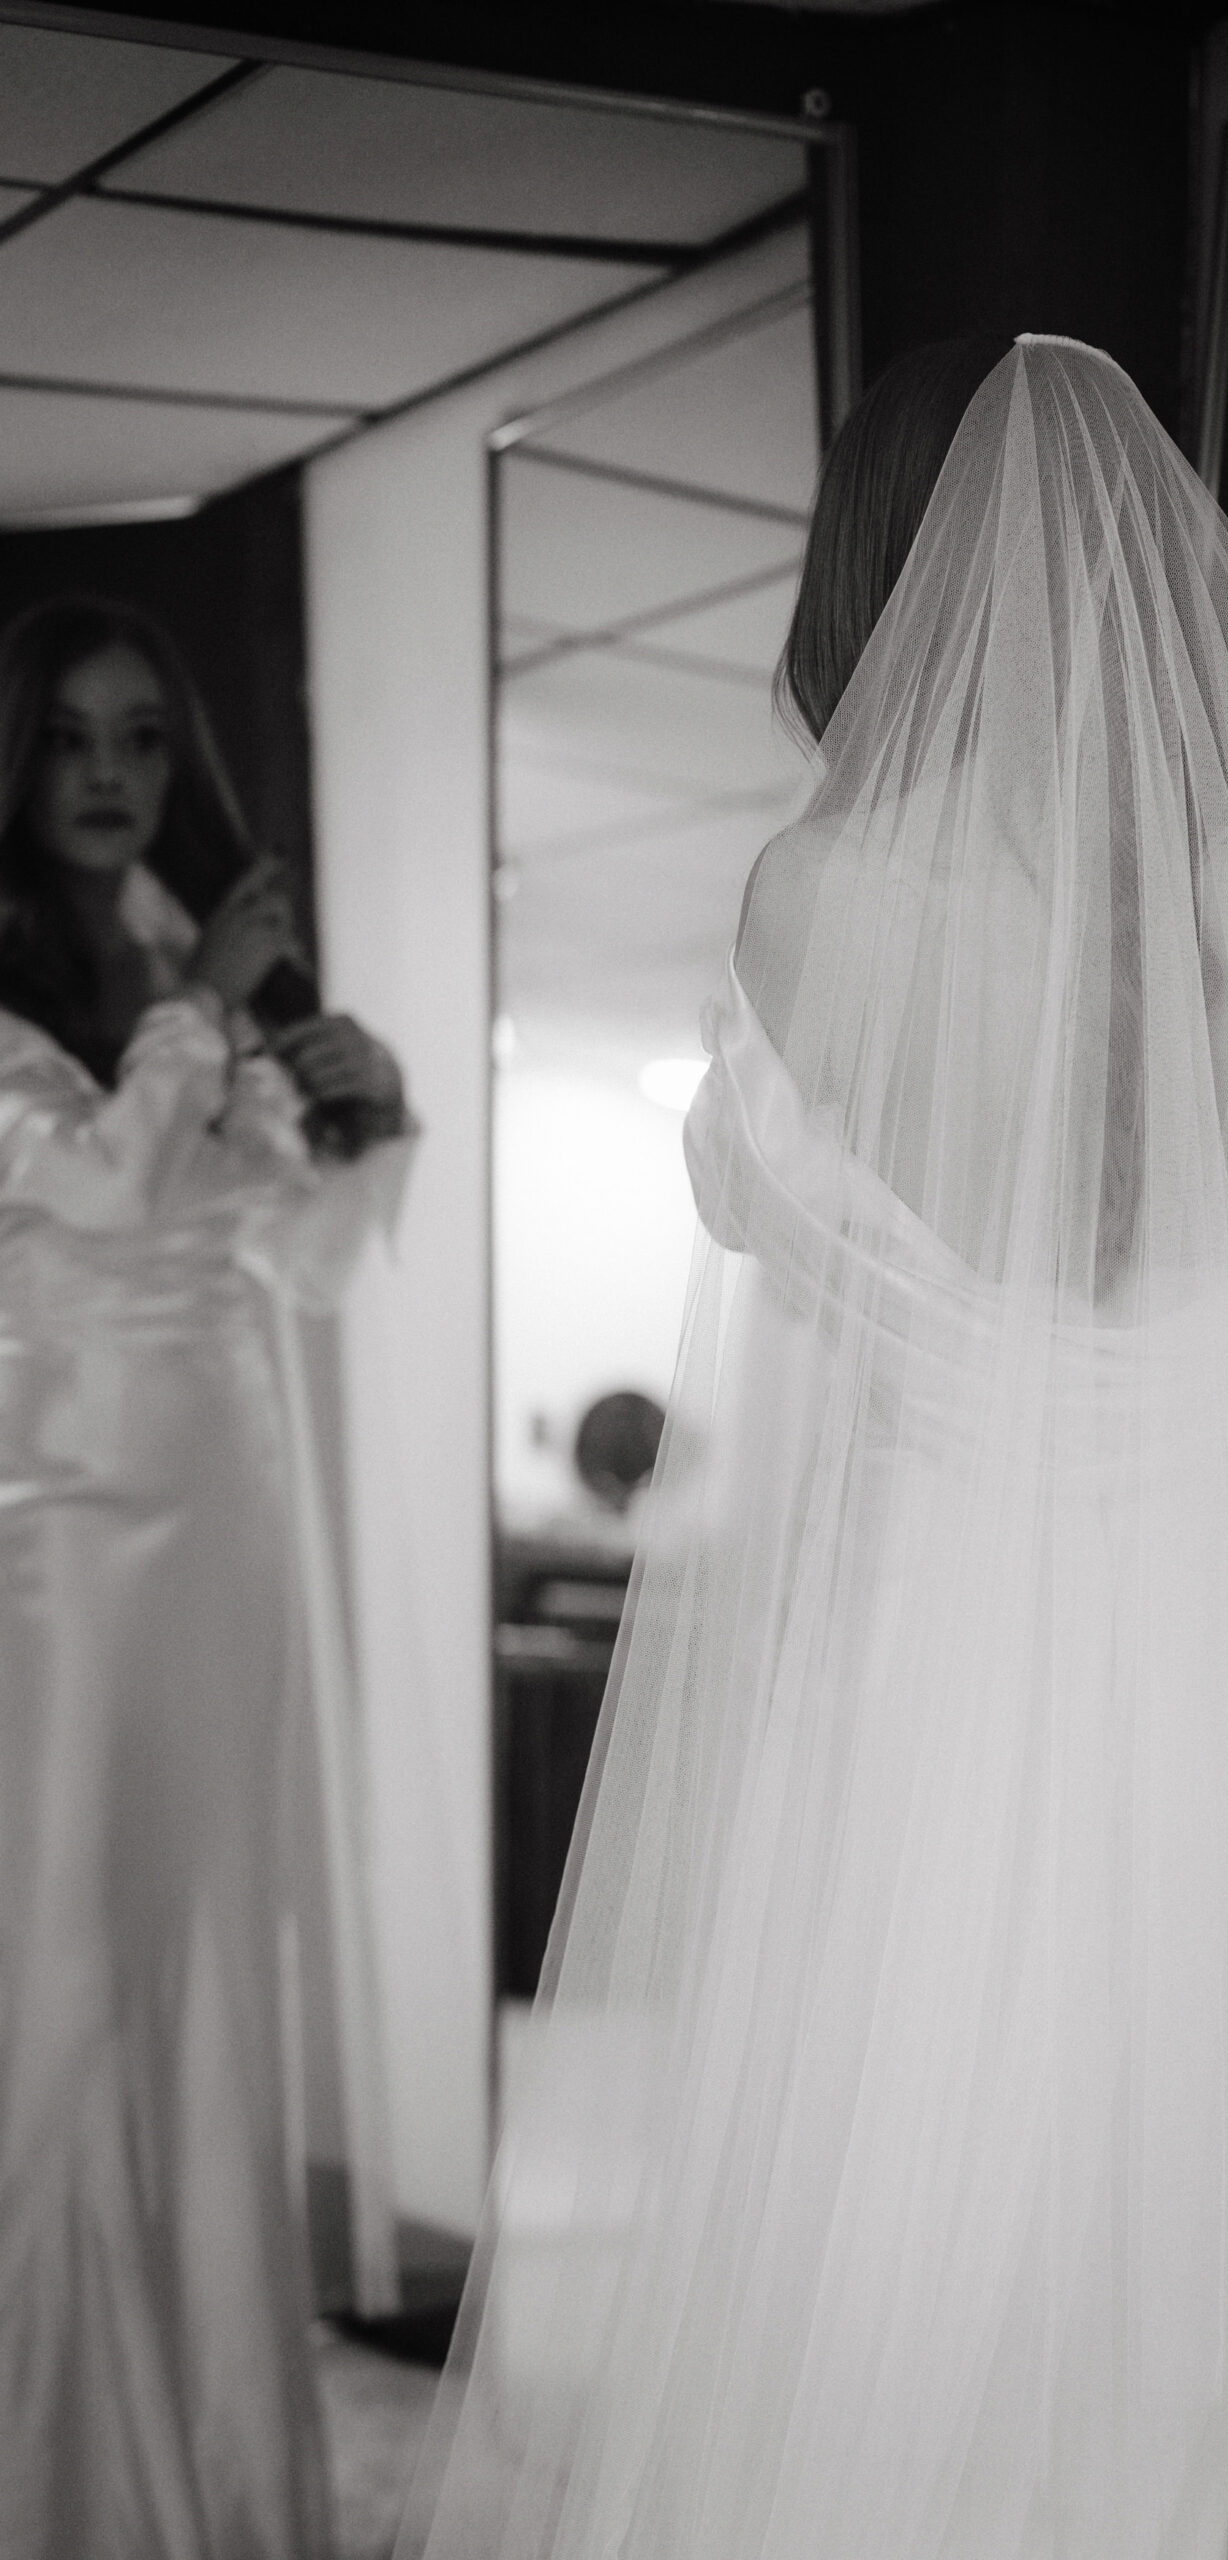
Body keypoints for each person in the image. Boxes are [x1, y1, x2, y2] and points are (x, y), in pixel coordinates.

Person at [402, 339, 1228, 2560]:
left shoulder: (816, 901)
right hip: (1224, 1704)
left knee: (885, 2317)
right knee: (1150, 2340)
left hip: (926, 1692)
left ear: (867, 581)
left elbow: (798, 1248)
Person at [0, 596, 410, 2558]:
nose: (110, 773)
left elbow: (297, 1260)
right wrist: (212, 1002)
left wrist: (366, 1102)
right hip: (56, 1514)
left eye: (143, 739)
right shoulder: (91, 972)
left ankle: (217, 2446)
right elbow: (82, 1181)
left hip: (226, 1501)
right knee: (62, 1970)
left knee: (209, 1954)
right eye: (75, 736)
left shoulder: (187, 960)